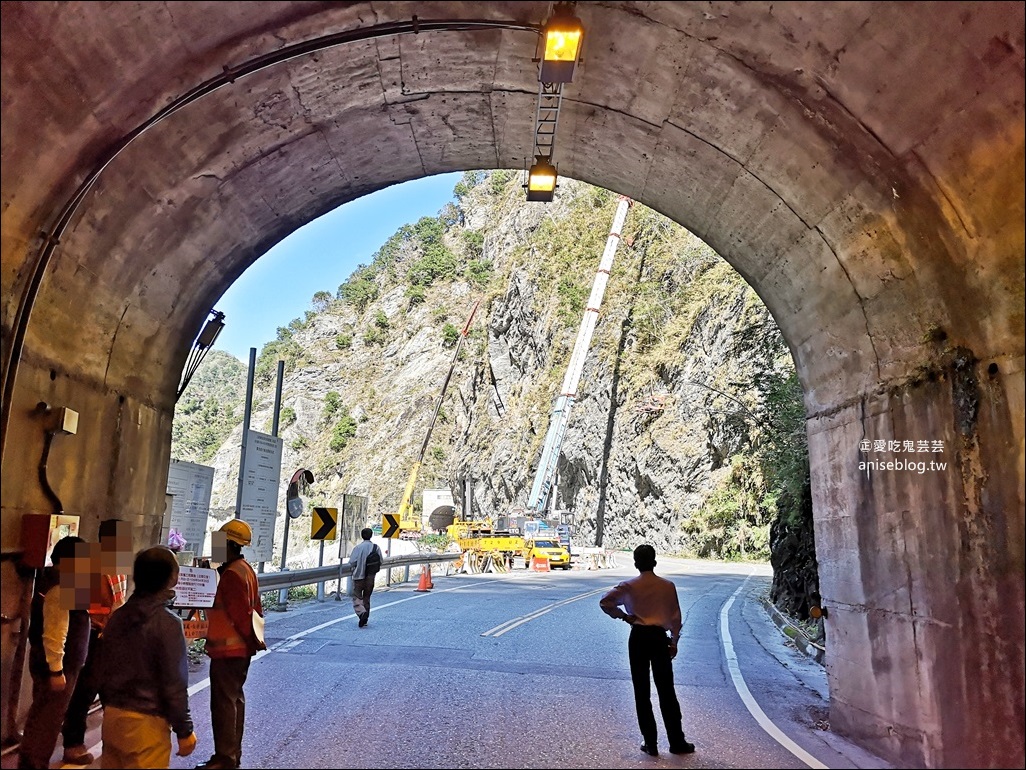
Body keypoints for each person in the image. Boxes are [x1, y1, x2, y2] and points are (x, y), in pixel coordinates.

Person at [97, 546, 196, 768]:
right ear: (170, 579)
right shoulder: (168, 624)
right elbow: (174, 684)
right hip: (146, 725)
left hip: (112, 718)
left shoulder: (117, 617)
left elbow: (102, 670)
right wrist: (184, 729)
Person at [599, 544, 695, 757]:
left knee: (641, 691)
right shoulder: (668, 586)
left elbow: (605, 602)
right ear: (654, 562)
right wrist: (674, 641)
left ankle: (650, 743)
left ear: (635, 563)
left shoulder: (629, 586)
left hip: (639, 638)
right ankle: (676, 741)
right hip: (659, 639)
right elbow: (675, 617)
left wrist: (624, 616)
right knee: (666, 690)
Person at [60, 518, 130, 766]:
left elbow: (119, 601)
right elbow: (73, 608)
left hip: (110, 637)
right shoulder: (86, 563)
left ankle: (114, 740)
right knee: (84, 690)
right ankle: (72, 744)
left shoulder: (118, 564)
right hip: (89, 636)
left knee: (109, 691)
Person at [18, 536, 91, 770]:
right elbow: (55, 631)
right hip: (58, 665)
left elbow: (76, 619)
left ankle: (32, 762)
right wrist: (56, 669)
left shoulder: (65, 581)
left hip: (62, 663)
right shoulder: (61, 585)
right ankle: (33, 765)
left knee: (45, 717)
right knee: (46, 721)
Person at [196, 519, 264, 770]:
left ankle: (225, 758)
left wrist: (249, 642)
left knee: (224, 704)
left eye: (219, 542)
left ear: (229, 544)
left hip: (228, 650)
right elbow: (255, 611)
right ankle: (232, 755)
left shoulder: (233, 574)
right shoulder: (244, 569)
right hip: (239, 650)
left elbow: (240, 614)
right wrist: (254, 643)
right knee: (234, 701)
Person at [348, 527, 383, 628]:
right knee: (367, 597)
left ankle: (361, 612)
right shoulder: (376, 548)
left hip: (358, 576)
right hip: (370, 576)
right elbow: (380, 561)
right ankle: (365, 618)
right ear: (371, 535)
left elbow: (352, 562)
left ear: (362, 536)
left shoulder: (358, 548)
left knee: (357, 596)